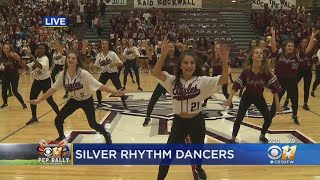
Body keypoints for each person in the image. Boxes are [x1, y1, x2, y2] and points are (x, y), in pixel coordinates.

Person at [153, 38, 229, 180]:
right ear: (180, 65)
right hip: (179, 123)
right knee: (168, 155)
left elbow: (224, 79)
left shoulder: (202, 81)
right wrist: (163, 55)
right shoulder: (172, 81)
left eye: (192, 63)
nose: (189, 66)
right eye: (186, 63)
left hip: (196, 121)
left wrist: (224, 61)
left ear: (195, 65)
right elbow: (156, 72)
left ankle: (199, 168)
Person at [29, 51, 125, 143]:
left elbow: (99, 85)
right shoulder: (63, 74)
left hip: (86, 100)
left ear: (77, 61)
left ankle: (106, 134)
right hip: (74, 100)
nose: (70, 60)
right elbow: (52, 89)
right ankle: (62, 136)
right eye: (69, 58)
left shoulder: (83, 73)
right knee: (58, 120)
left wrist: (115, 92)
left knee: (92, 124)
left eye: (73, 58)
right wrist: (38, 100)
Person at [224, 47, 283, 143]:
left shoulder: (266, 72)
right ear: (252, 56)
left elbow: (275, 89)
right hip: (247, 97)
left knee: (268, 119)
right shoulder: (247, 71)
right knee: (239, 118)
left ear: (263, 57)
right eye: (256, 53)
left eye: (261, 53)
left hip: (259, 97)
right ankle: (233, 139)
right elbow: (236, 86)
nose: (259, 54)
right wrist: (229, 99)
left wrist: (277, 105)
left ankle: (262, 135)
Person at [20, 43, 60, 125]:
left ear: (45, 51)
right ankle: (34, 117)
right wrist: (19, 60)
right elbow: (27, 68)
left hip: (46, 81)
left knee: (49, 100)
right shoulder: (37, 58)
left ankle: (60, 116)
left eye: (42, 48)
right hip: (37, 81)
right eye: (38, 48)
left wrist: (32, 57)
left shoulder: (45, 58)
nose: (39, 50)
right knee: (32, 98)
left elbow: (40, 66)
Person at [269, 27, 300, 125]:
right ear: (285, 46)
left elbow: (307, 50)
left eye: (292, 46)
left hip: (292, 81)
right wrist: (273, 35)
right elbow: (273, 47)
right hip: (280, 81)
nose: (291, 47)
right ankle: (270, 116)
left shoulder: (296, 56)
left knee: (294, 99)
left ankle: (294, 116)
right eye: (289, 46)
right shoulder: (279, 54)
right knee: (276, 99)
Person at [143, 41, 177, 126]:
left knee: (179, 100)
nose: (171, 49)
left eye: (172, 47)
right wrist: (147, 48)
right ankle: (147, 117)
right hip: (163, 82)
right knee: (153, 99)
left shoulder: (179, 58)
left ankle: (181, 118)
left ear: (175, 48)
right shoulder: (163, 58)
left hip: (174, 83)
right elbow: (151, 58)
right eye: (168, 47)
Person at [91, 39, 128, 110]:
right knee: (98, 88)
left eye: (105, 44)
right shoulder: (99, 55)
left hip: (113, 73)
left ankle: (123, 102)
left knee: (119, 88)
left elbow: (121, 63)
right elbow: (96, 66)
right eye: (103, 44)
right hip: (104, 73)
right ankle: (99, 103)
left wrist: (114, 63)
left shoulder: (112, 54)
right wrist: (93, 66)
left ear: (108, 46)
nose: (104, 45)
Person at [0, 43, 27, 109]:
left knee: (15, 91)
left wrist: (15, 56)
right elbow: (2, 65)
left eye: (7, 48)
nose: (5, 49)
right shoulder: (2, 57)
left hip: (14, 75)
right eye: (4, 48)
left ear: (10, 49)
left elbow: (20, 60)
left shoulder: (13, 55)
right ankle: (5, 103)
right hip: (5, 75)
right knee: (3, 90)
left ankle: (23, 104)